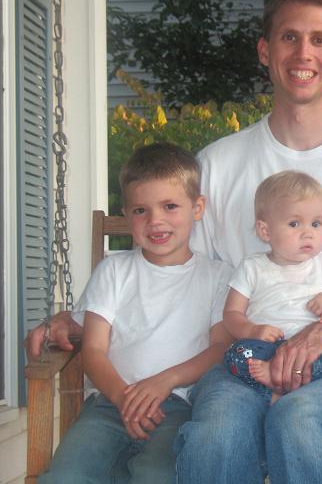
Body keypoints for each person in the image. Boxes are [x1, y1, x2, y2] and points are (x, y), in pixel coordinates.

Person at [27, 0, 322, 483]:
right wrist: (80, 318)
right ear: (265, 51)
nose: (303, 53)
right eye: (289, 37)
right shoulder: (219, 164)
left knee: (300, 419)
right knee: (217, 434)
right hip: (240, 364)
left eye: (319, 40)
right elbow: (176, 274)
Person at [39, 142, 233, 483]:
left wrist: (165, 381)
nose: (155, 220)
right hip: (108, 404)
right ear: (127, 215)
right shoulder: (114, 271)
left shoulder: (217, 276)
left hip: (177, 405)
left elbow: (220, 348)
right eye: (141, 210)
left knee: (157, 475)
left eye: (170, 206)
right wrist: (123, 398)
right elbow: (93, 349)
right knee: (67, 476)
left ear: (197, 207)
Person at [222, 170, 322, 397]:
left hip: (315, 350)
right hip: (267, 348)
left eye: (316, 223)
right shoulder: (252, 267)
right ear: (265, 231)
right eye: (294, 223)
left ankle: (289, 378)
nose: (308, 233)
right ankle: (279, 376)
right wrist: (252, 330)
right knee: (237, 354)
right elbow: (231, 313)